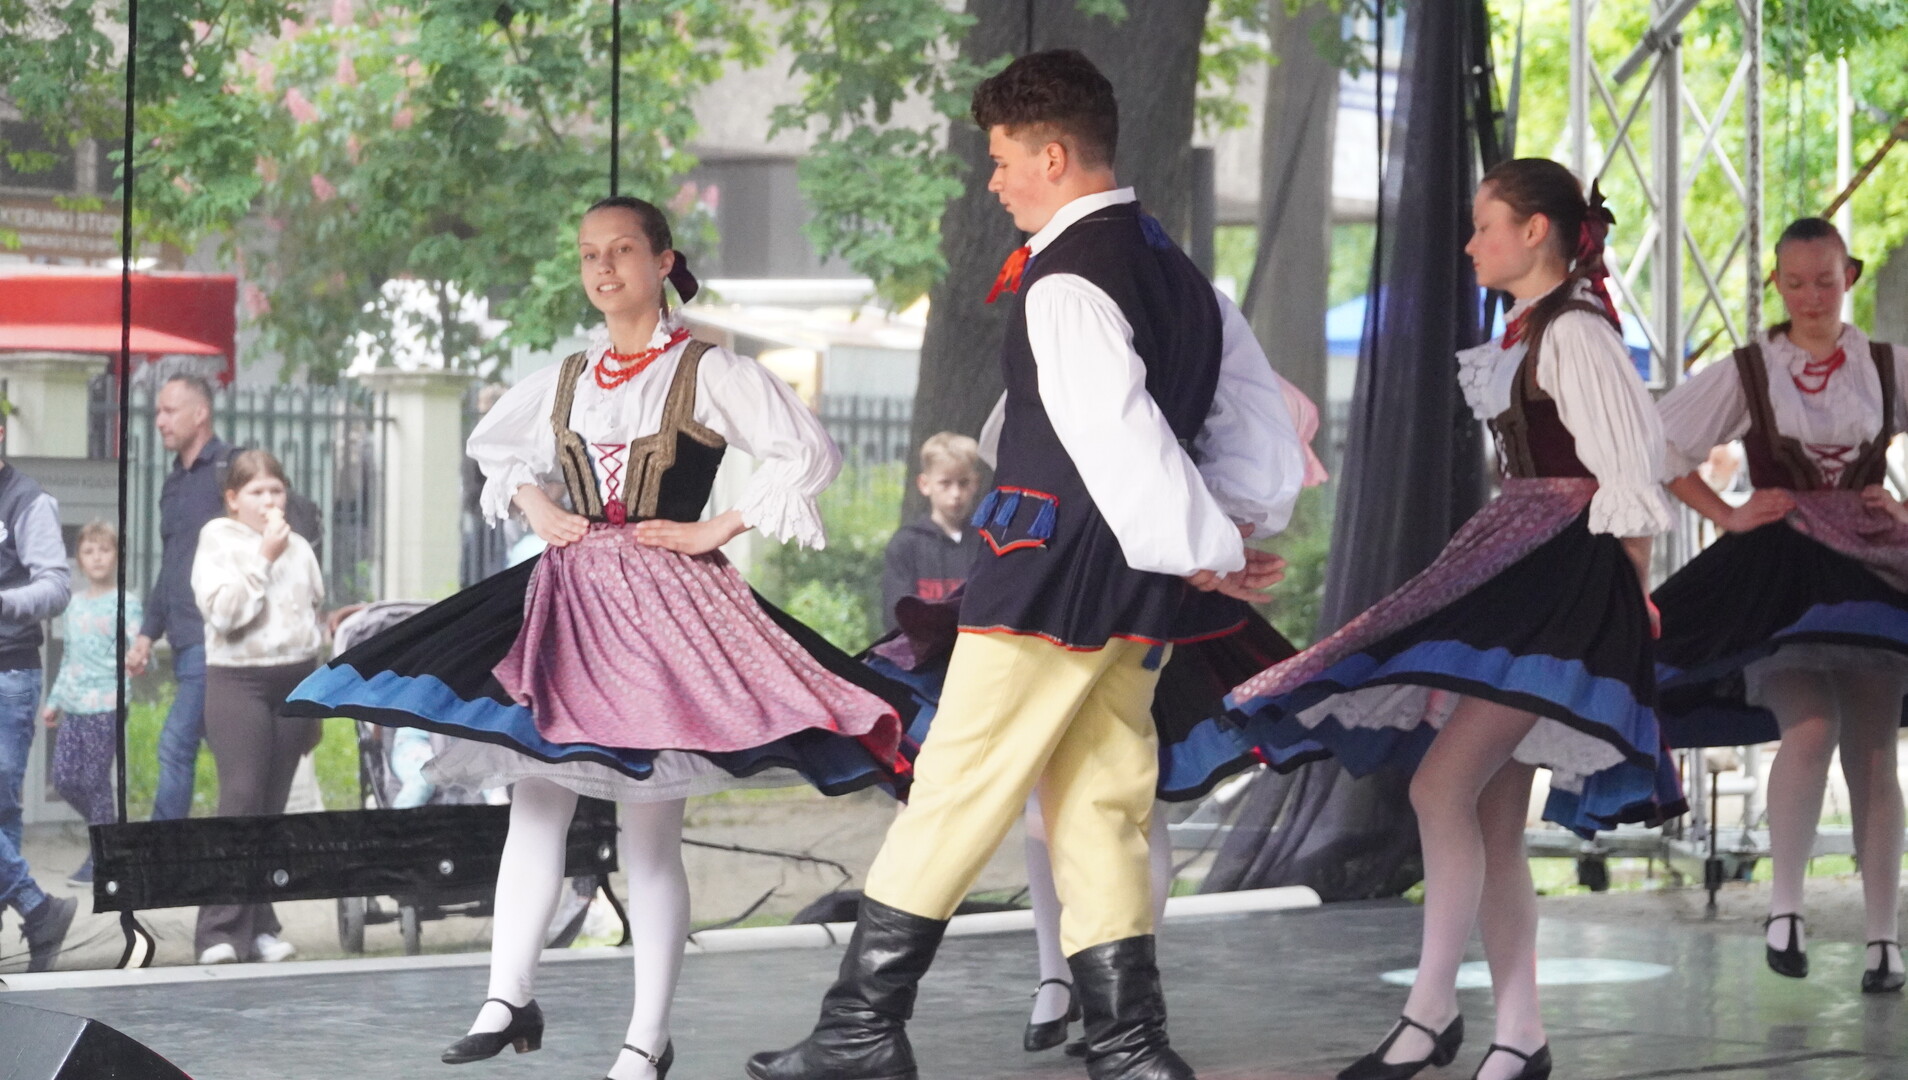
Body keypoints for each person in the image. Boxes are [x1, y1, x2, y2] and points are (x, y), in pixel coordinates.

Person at [749, 50, 1289, 1080]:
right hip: (1134, 580)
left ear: (1053, 156)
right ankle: (1129, 1046)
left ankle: (860, 1030)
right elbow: (1252, 424)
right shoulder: (1178, 273)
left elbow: (1118, 439)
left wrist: (1207, 547)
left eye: (1002, 160)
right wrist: (1222, 532)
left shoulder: (1070, 278)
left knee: (957, 786)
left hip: (1047, 575)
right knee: (1101, 801)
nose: (993, 181)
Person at [285, 194, 912, 1080]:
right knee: (534, 801)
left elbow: (808, 452)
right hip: (567, 606)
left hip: (665, 615)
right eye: (589, 254)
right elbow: (498, 451)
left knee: (649, 836)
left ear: (663, 262)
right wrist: (537, 504)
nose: (604, 268)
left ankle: (646, 1038)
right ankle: (508, 996)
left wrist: (713, 527)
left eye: (621, 250)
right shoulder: (569, 378)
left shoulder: (707, 370)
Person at [1227, 159, 1679, 1080]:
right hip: (1526, 571)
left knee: (1441, 789)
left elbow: (1631, 477)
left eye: (1485, 226)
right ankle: (1521, 1033)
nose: (1472, 244)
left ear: (1535, 232)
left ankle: (1431, 1012)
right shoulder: (1534, 330)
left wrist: (1629, 602)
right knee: (1491, 818)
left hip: (1559, 591)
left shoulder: (1575, 333)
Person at [867, 367, 1328, 1056]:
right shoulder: (1079, 343)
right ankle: (1058, 980)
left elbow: (1281, 426)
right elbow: (1007, 439)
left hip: (1156, 592)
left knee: (1131, 797)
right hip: (1065, 577)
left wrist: (1210, 521)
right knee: (1050, 794)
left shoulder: (1205, 354)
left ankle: (1127, 995)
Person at [1652, 216, 1907, 995]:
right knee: (1811, 724)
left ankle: (1883, 939)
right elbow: (1657, 448)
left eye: (1824, 280)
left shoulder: (1886, 365)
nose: (1810, 296)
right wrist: (1727, 513)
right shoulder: (1750, 371)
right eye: (1794, 282)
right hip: (1779, 572)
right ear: (1776, 284)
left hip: (1868, 566)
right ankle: (1785, 909)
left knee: (1874, 745)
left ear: (1849, 276)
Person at [188, 449, 326, 965]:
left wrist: (316, 700)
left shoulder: (300, 546)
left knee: (272, 806)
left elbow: (313, 615)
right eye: (256, 492)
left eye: (276, 490)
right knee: (241, 798)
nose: (269, 501)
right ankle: (218, 931)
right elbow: (224, 614)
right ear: (233, 499)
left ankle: (261, 925)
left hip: (294, 678)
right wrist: (264, 557)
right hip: (238, 679)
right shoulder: (218, 540)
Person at [126, 374, 228, 823]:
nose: (159, 421)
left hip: (220, 637)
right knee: (223, 752)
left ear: (200, 413)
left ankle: (158, 850)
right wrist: (147, 634)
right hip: (185, 639)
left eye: (169, 411)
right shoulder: (173, 482)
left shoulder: (231, 469)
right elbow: (172, 565)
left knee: (175, 743)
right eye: (158, 412)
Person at [0, 430, 75, 973]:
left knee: (2, 811)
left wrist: (2, 602)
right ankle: (39, 911)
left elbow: (57, 587)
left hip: (9, 672)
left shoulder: (27, 501)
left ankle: (39, 915)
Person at [42, 521, 140, 886]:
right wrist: (54, 700)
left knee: (95, 780)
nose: (97, 557)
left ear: (116, 556)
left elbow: (138, 651)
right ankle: (110, 833)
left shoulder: (127, 603)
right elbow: (69, 657)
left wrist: (138, 659)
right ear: (79, 560)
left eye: (105, 550)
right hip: (74, 705)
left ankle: (102, 859)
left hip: (108, 703)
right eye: (89, 551)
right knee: (64, 779)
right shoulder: (73, 605)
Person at [879, 433, 983, 630]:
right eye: (945, 483)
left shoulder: (986, 542)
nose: (956, 494)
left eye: (963, 483)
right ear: (925, 484)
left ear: (975, 483)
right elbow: (896, 616)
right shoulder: (906, 544)